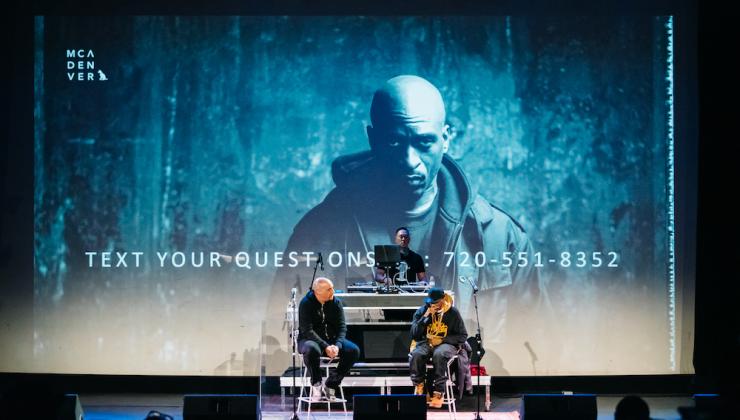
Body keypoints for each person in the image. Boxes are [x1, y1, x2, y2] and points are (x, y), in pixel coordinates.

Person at [271, 74, 544, 345]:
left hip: (458, 383)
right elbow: (279, 340)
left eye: (424, 142)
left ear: (445, 138)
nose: (409, 160)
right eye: (394, 142)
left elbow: (538, 346)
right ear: (373, 139)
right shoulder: (317, 233)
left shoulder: (500, 237)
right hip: (353, 384)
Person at [298, 277, 359, 401]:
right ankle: (316, 383)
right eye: (329, 289)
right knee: (312, 349)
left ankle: (331, 384)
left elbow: (342, 328)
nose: (333, 291)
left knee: (353, 351)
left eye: (332, 288)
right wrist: (325, 346)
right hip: (309, 340)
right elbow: (307, 331)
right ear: (317, 292)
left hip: (332, 340)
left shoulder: (336, 303)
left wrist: (337, 345)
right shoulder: (306, 303)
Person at [409, 287, 468, 408]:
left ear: (442, 300)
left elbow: (462, 336)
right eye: (430, 302)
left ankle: (439, 392)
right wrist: (425, 317)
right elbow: (414, 334)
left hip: (446, 344)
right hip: (426, 342)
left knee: (439, 354)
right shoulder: (423, 310)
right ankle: (420, 386)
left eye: (435, 302)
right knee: (416, 354)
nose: (432, 304)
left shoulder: (452, 313)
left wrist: (442, 340)